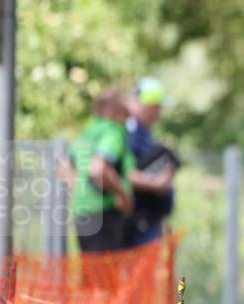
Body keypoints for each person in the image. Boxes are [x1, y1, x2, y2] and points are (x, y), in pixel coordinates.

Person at [69, 90, 136, 252]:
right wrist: (123, 195)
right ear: (114, 111)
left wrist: (81, 193)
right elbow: (99, 168)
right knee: (107, 273)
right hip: (105, 214)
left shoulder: (88, 131)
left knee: (91, 272)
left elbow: (66, 168)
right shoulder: (112, 131)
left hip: (83, 212)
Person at [125, 77, 177, 246]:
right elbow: (127, 173)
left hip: (151, 220)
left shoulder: (145, 133)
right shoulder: (130, 133)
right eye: (156, 107)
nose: (159, 112)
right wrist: (156, 183)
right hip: (138, 220)